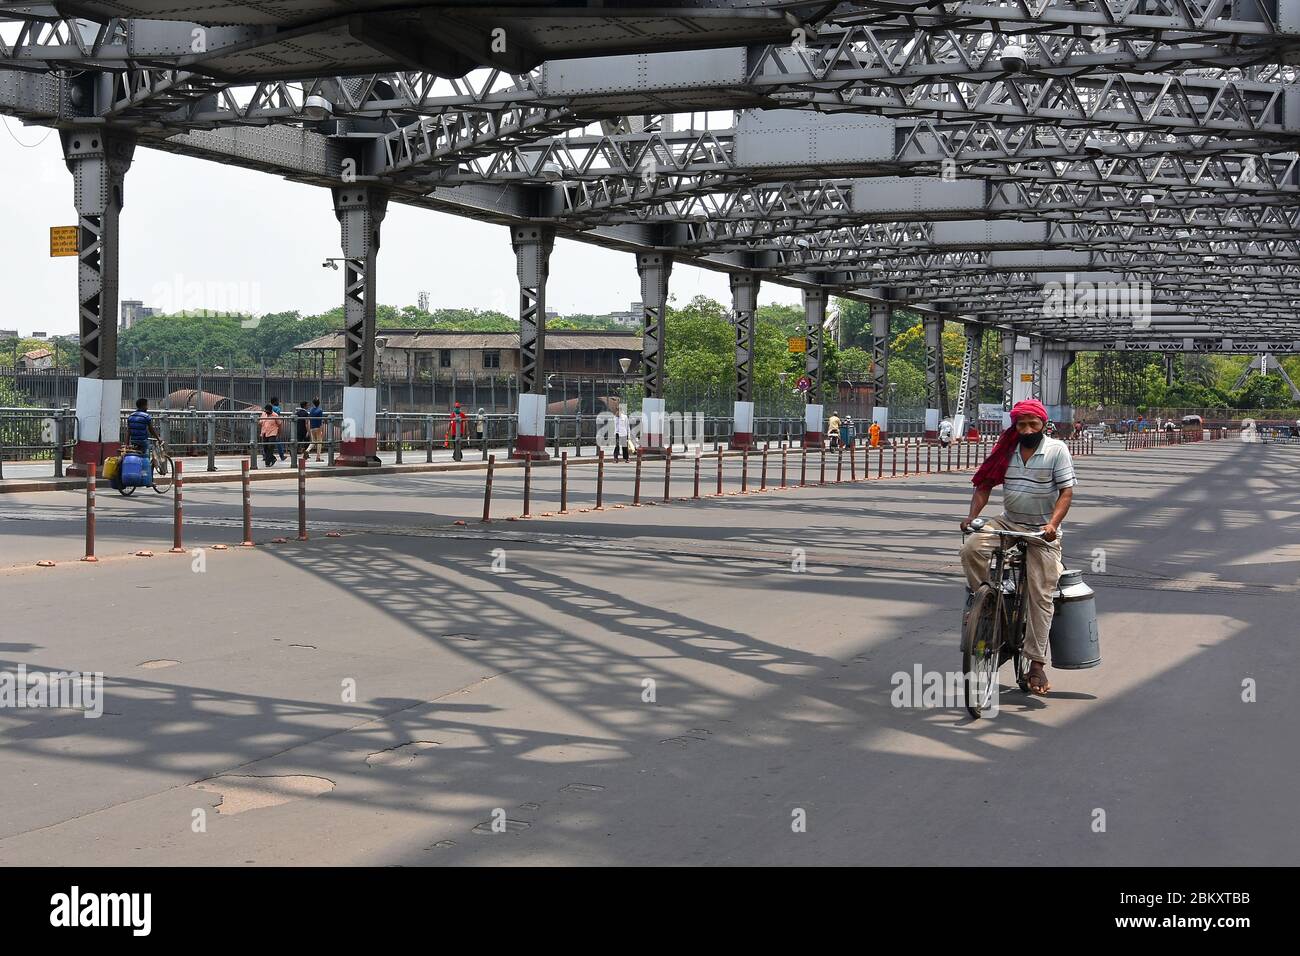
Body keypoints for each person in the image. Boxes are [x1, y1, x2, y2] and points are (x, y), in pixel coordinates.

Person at [959, 398, 1076, 697]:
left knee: (1041, 594)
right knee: (972, 547)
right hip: (1008, 522)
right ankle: (986, 602)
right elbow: (983, 485)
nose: (1026, 429)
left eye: (1032, 424)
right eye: (1021, 424)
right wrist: (972, 517)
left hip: (1042, 531)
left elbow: (1066, 492)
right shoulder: (1006, 450)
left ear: (1043, 425)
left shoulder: (1056, 450)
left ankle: (1036, 662)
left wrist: (1052, 525)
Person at [270, 396, 286, 461]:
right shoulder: (277, 409)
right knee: (278, 441)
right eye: (278, 401)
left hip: (268, 426)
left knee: (268, 442)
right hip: (274, 427)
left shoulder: (269, 408)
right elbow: (277, 418)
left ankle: (265, 455)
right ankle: (282, 455)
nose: (278, 402)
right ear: (275, 402)